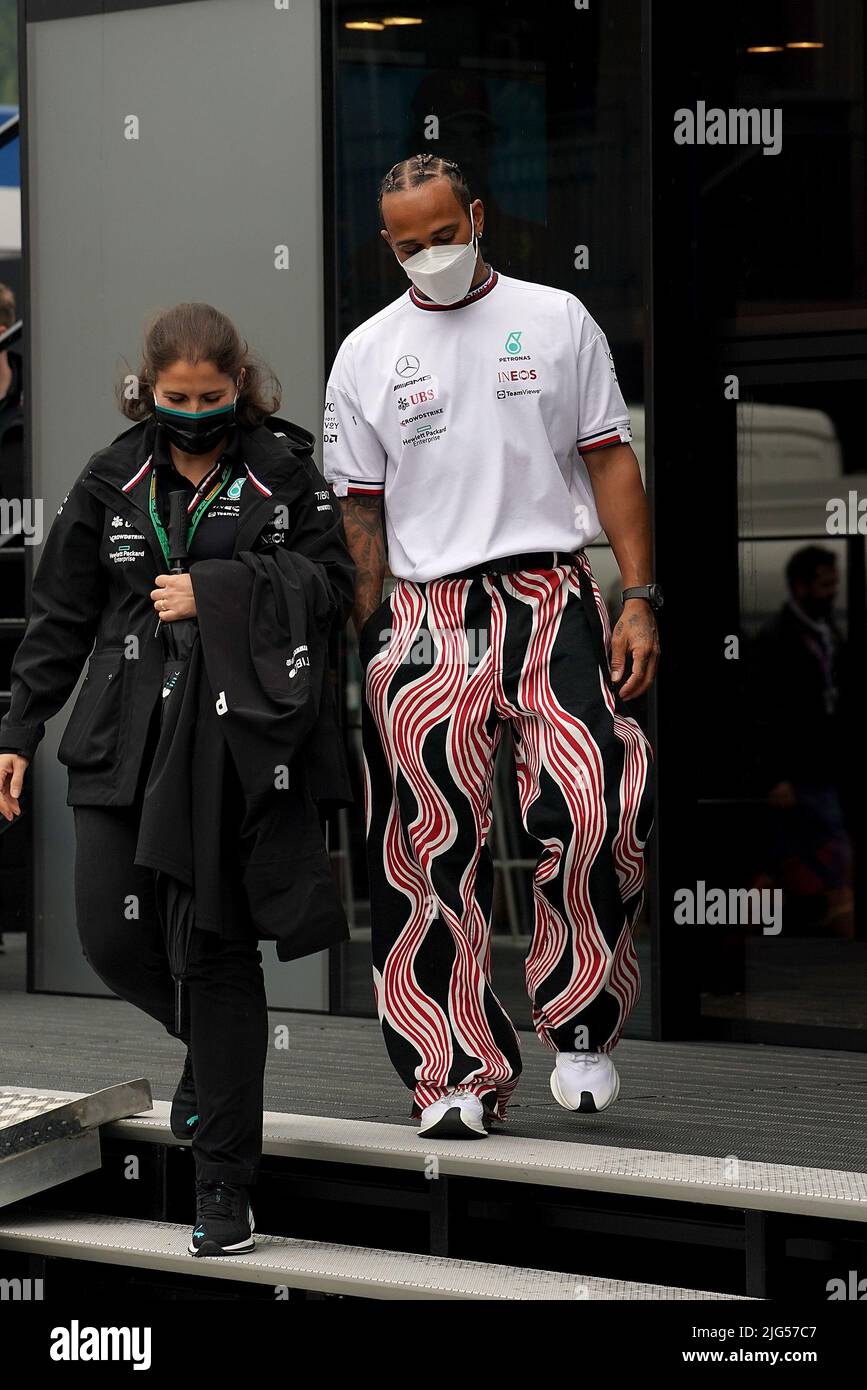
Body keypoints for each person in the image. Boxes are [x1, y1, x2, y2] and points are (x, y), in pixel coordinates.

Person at [0, 302, 355, 1250]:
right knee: (110, 941)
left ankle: (224, 1190)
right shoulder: (113, 473)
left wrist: (223, 588)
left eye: (211, 395)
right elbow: (60, 616)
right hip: (120, 740)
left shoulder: (283, 472)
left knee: (215, 954)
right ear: (146, 390)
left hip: (231, 752)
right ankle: (213, 1051)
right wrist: (17, 729)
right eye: (175, 397)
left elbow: (336, 593)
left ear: (240, 383)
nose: (194, 411)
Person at [323, 153, 659, 1139]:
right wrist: (367, 633)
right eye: (408, 243)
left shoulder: (556, 320)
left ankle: (584, 1021)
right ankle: (451, 1071)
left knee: (599, 796)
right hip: (429, 611)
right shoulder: (367, 353)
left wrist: (638, 597)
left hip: (546, 588)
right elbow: (360, 515)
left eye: (443, 231)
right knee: (425, 845)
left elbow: (611, 460)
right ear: (388, 244)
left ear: (478, 214)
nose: (430, 254)